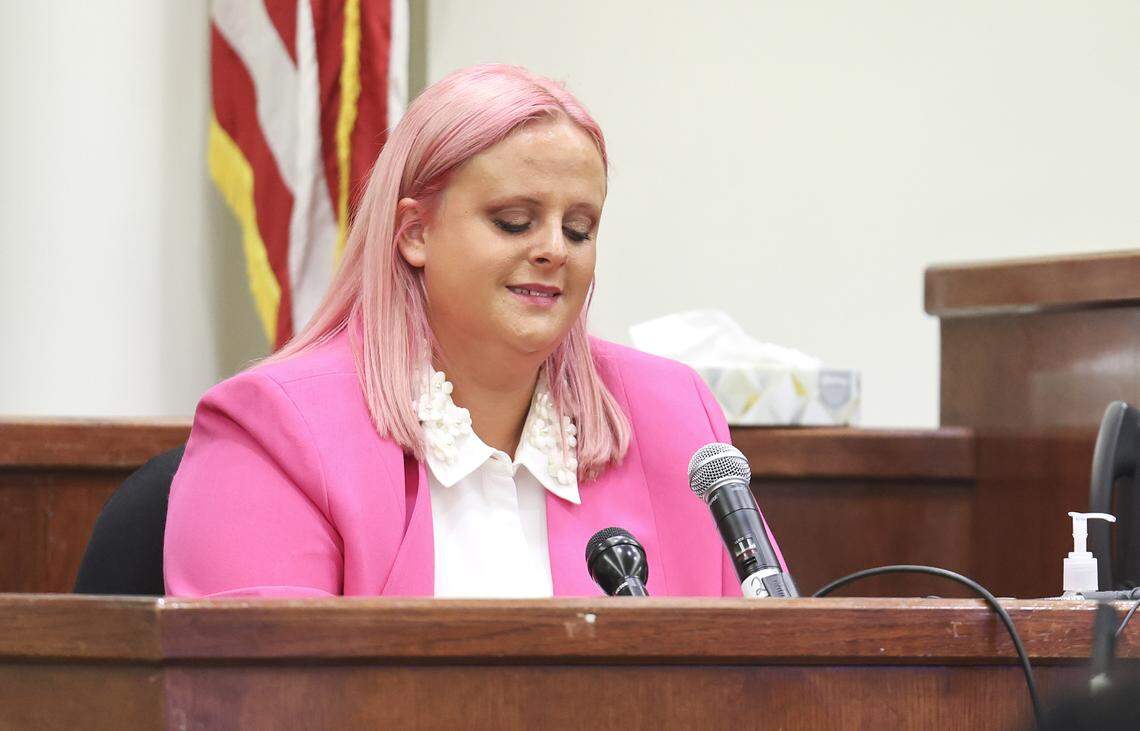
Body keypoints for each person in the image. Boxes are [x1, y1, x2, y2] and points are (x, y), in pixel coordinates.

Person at [164, 64, 786, 598]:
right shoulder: (277, 431)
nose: (553, 250)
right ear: (414, 233)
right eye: (514, 222)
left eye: (578, 229)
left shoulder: (674, 414)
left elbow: (769, 672)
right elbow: (258, 699)